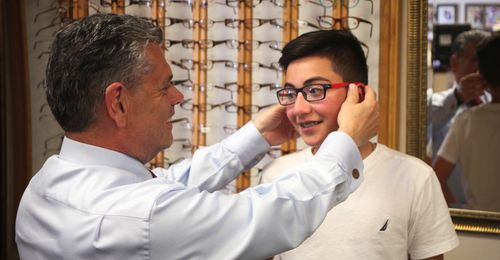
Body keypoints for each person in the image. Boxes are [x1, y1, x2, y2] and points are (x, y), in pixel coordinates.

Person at [15, 14, 379, 259]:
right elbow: (269, 215)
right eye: (164, 86)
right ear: (118, 103)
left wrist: (257, 136)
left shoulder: (44, 187)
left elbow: (170, 189)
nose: (178, 97)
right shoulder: (141, 216)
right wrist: (346, 140)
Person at [261, 29, 458, 260]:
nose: (299, 109)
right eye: (291, 93)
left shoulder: (415, 177)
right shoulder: (276, 175)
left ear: (358, 93)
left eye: (315, 90)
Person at [433, 34, 500, 212]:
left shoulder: (468, 119)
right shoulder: (459, 116)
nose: (476, 69)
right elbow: (435, 178)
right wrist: (458, 210)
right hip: (473, 223)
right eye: (473, 61)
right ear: (455, 63)